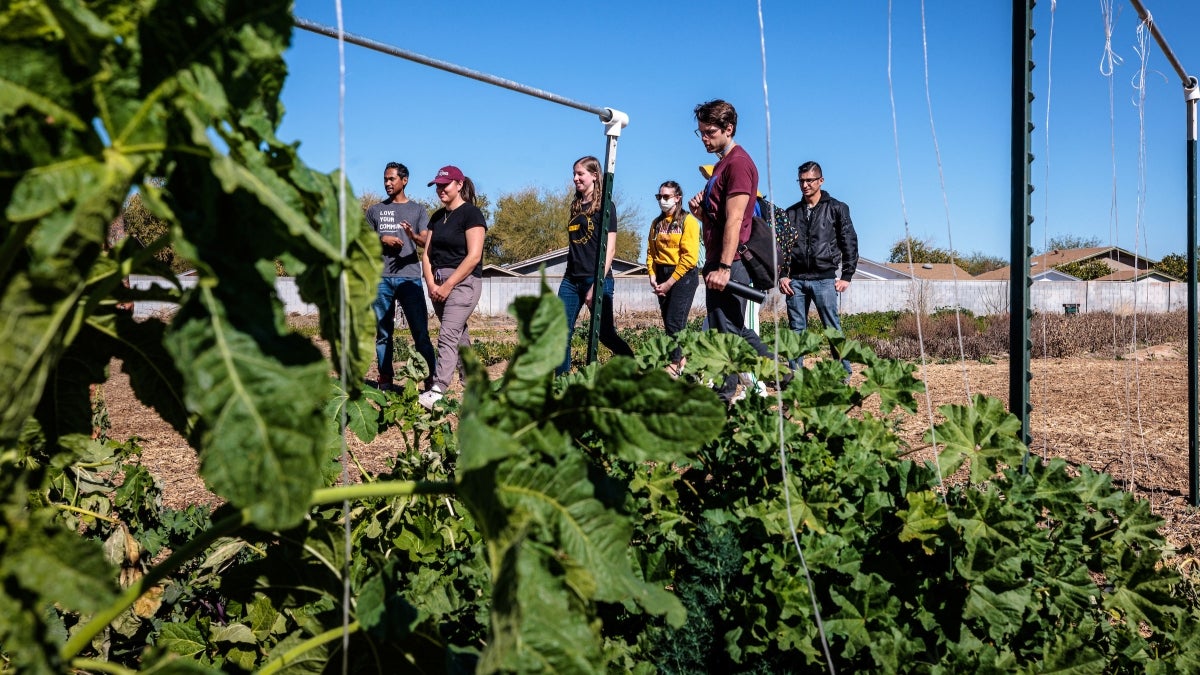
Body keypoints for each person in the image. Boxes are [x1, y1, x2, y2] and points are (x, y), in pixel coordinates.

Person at [686, 100, 773, 402]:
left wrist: (724, 267)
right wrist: (700, 213)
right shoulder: (722, 165)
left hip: (731, 263)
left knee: (727, 335)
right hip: (717, 260)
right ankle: (786, 376)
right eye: (701, 133)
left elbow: (736, 220)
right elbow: (720, 221)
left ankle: (724, 400)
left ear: (728, 128)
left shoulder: (738, 164)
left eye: (710, 132)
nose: (705, 139)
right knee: (730, 332)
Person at [555, 155, 634, 375]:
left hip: (596, 277)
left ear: (595, 176)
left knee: (604, 333)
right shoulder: (575, 206)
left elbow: (610, 249)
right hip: (571, 279)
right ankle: (562, 385)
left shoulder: (606, 207)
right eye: (574, 174)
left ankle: (632, 366)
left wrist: (597, 284)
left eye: (580, 174)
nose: (575, 178)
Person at [779, 161, 858, 377]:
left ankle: (843, 374)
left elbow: (848, 241)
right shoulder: (791, 213)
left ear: (820, 181)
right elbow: (782, 248)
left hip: (825, 279)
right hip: (795, 280)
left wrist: (847, 275)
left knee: (832, 329)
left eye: (809, 181)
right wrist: (782, 276)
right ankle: (796, 377)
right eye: (801, 181)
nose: (805, 185)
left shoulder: (837, 208)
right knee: (796, 330)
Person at [419, 165, 486, 409]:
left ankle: (438, 388)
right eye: (437, 185)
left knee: (447, 333)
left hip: (463, 282)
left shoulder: (471, 214)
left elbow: (474, 256)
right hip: (437, 282)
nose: (440, 189)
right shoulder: (437, 217)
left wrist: (447, 285)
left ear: (459, 185)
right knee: (458, 336)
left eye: (444, 185)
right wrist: (430, 282)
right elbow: (426, 255)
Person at [367, 162, 436, 392]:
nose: (387, 183)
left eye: (392, 179)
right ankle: (385, 379)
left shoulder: (418, 211)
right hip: (382, 278)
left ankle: (430, 380)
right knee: (383, 332)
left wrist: (412, 235)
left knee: (420, 332)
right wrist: (381, 239)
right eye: (385, 179)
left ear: (404, 181)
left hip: (409, 278)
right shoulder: (374, 211)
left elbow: (426, 241)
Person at [646, 180, 700, 377]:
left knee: (675, 320)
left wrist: (669, 283)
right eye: (659, 196)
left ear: (677, 198)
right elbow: (651, 253)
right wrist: (652, 275)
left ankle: (674, 364)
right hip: (661, 273)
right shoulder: (656, 224)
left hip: (683, 275)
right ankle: (686, 364)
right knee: (669, 322)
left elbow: (689, 257)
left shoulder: (688, 221)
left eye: (666, 197)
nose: (662, 200)